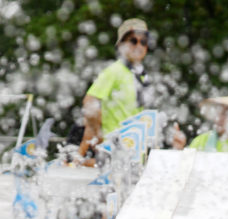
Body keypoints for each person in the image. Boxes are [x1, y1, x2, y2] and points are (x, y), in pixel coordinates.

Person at [78, 18, 185, 161]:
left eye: (143, 42)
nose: (139, 46)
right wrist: (99, 136)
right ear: (121, 44)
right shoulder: (114, 70)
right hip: (115, 155)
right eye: (133, 41)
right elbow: (89, 102)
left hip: (134, 156)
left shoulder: (142, 76)